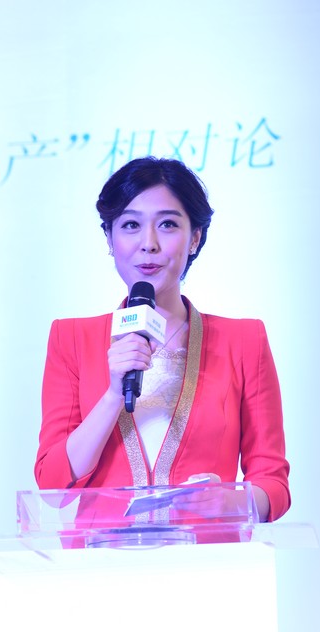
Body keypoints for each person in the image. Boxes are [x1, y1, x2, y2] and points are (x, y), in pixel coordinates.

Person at [34, 157, 290, 523]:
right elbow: (52, 483)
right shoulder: (71, 338)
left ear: (195, 237)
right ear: (109, 238)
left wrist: (232, 502)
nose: (148, 244)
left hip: (207, 553)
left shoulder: (244, 341)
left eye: (168, 224)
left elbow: (273, 482)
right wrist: (113, 395)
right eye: (131, 225)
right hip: (101, 554)